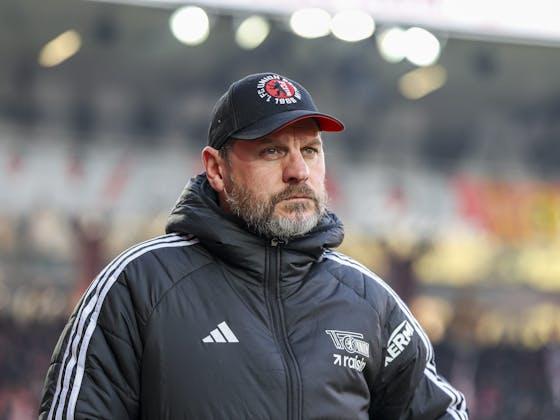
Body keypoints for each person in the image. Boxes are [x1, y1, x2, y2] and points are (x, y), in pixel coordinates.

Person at [39, 72, 468, 419]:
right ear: (216, 169)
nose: (298, 171)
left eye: (310, 150)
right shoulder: (138, 286)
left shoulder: (370, 301)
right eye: (272, 151)